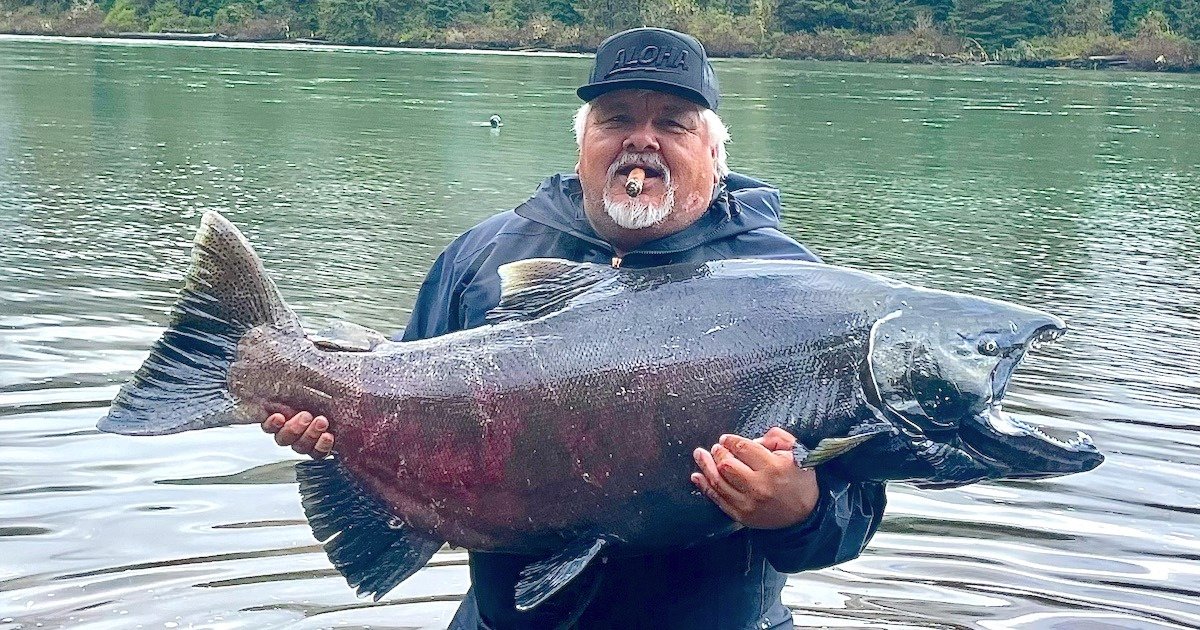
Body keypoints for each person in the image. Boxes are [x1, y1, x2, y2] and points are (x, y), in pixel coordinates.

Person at [264, 27, 887, 630]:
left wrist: (800, 510)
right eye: (616, 118)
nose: (642, 142)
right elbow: (394, 397)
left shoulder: (793, 287)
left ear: (715, 155)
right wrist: (333, 423)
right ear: (583, 143)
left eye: (673, 122)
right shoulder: (482, 258)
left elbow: (853, 515)